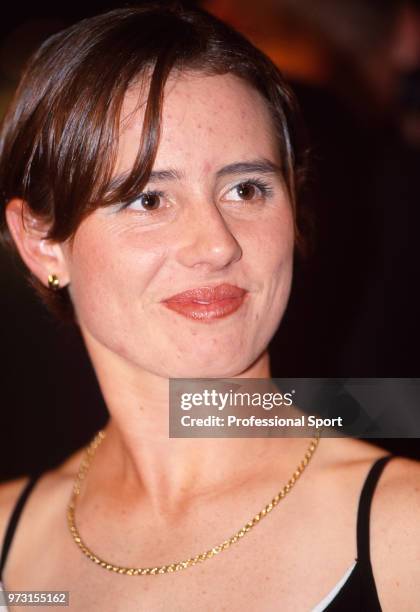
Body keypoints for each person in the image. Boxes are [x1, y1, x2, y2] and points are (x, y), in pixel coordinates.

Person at [0, 3, 419, 610]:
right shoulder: (10, 543)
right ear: (42, 244)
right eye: (147, 199)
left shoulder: (401, 533)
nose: (217, 244)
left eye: (247, 189)